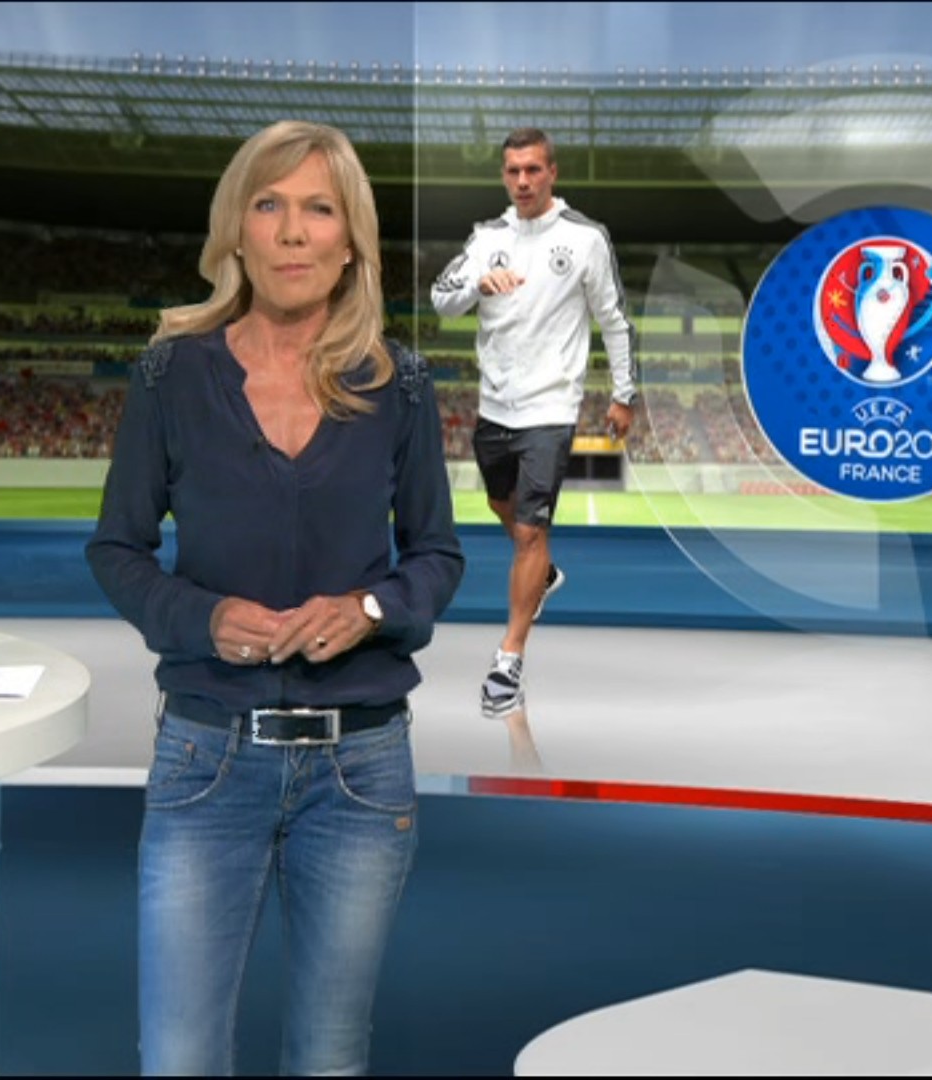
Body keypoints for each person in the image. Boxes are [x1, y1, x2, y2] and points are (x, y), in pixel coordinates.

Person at [86, 120, 463, 1076]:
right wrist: (202, 619)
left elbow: (436, 557)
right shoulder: (171, 374)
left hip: (361, 773)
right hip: (205, 761)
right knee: (179, 1058)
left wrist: (370, 612)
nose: (294, 231)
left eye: (319, 209)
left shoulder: (401, 384)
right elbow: (119, 550)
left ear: (351, 242)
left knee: (329, 1058)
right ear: (238, 232)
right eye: (270, 205)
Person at [429, 127, 637, 718]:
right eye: (513, 171)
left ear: (552, 173)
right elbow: (442, 297)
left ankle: (508, 660)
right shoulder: (486, 238)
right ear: (504, 176)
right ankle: (541, 576)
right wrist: (476, 282)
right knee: (503, 507)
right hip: (494, 406)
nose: (522, 181)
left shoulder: (585, 238)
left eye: (533, 170)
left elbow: (614, 320)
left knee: (528, 531)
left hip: (551, 407)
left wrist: (623, 395)